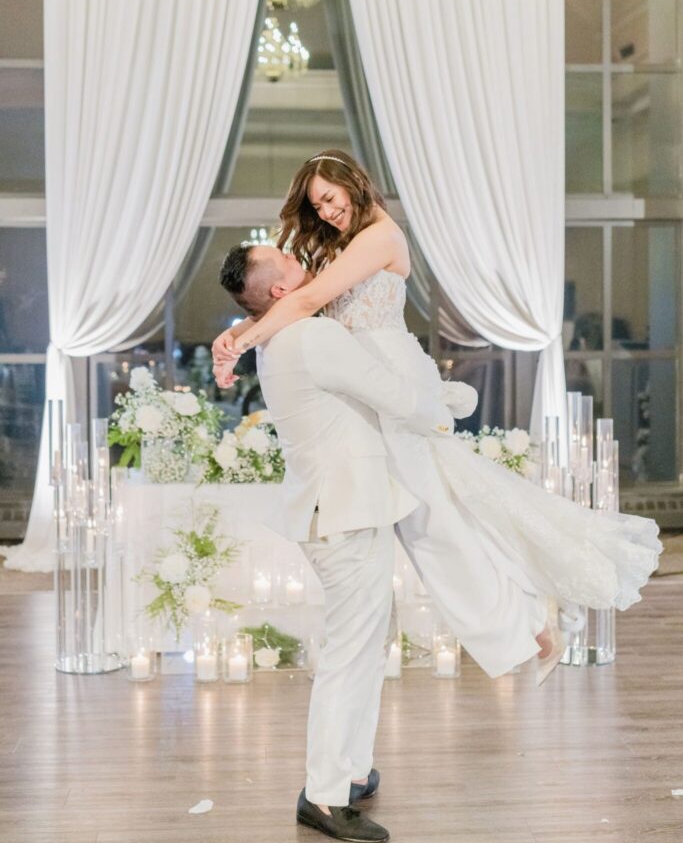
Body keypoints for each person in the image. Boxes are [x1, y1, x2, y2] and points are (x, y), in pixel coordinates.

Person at [213, 151, 661, 685]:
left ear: (354, 184)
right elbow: (296, 296)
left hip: (394, 379)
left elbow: (307, 298)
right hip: (377, 386)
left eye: (329, 199)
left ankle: (529, 621)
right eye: (317, 206)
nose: (326, 212)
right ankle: (527, 619)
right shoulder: (346, 244)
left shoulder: (380, 235)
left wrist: (241, 339)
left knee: (434, 522)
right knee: (438, 518)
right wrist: (241, 327)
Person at [218, 243, 455, 843]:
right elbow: (397, 395)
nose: (303, 263)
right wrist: (449, 407)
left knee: (367, 644)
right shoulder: (309, 338)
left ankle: (349, 771)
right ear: (279, 292)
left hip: (344, 506)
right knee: (351, 653)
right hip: (343, 514)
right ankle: (324, 795)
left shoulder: (279, 337)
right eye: (290, 264)